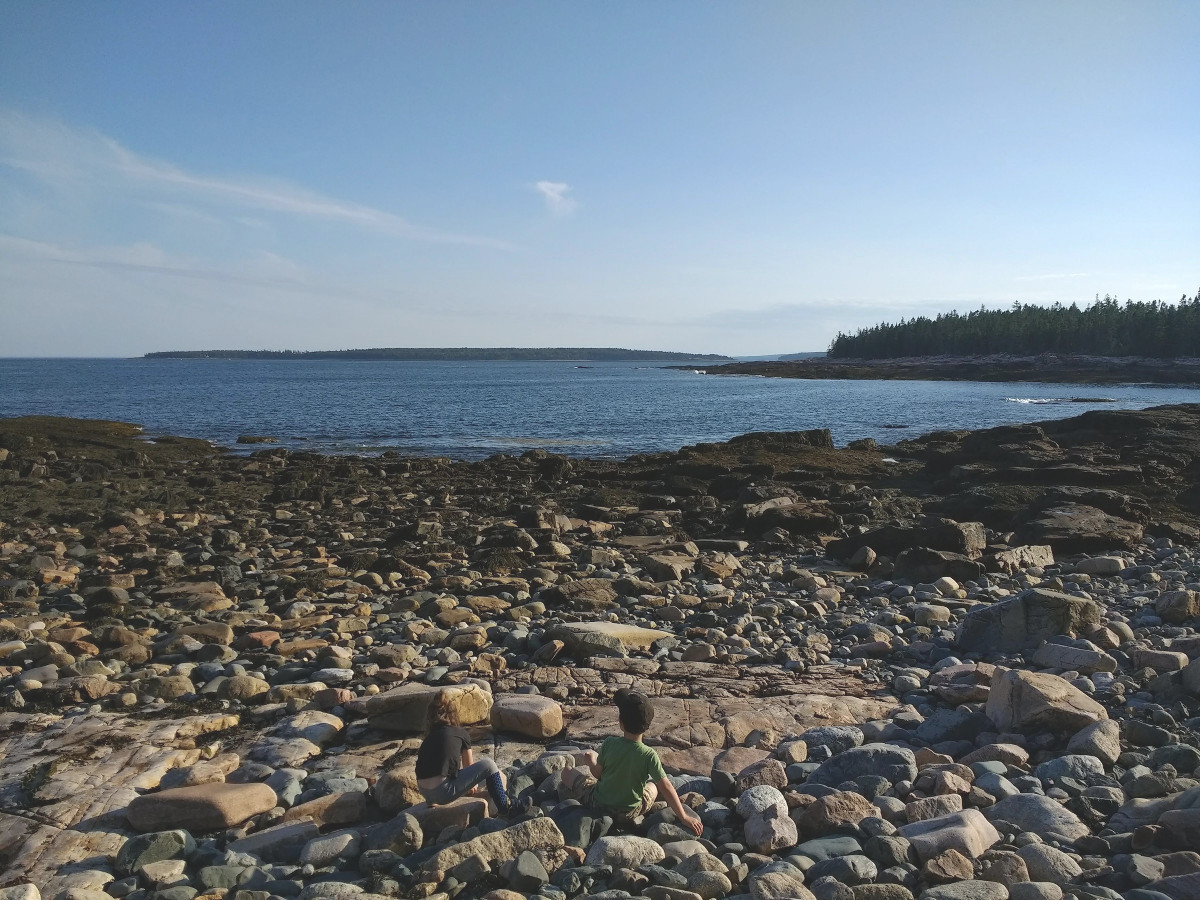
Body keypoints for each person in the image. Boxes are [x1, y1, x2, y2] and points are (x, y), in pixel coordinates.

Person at [563, 688, 703, 834]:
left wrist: (591, 761)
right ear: (647, 726)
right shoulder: (649, 755)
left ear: (620, 723)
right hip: (629, 812)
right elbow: (666, 786)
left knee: (567, 772)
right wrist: (684, 817)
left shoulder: (609, 743)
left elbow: (597, 774)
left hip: (598, 804)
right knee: (653, 786)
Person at [414, 690, 529, 815]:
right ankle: (507, 807)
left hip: (424, 792)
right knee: (489, 765)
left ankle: (432, 802)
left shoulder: (428, 738)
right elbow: (469, 767)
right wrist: (471, 786)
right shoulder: (460, 733)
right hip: (443, 792)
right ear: (454, 714)